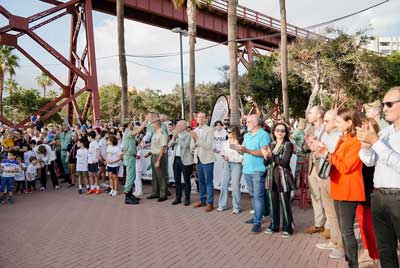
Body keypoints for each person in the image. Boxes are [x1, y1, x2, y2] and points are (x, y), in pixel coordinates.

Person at [314, 107, 365, 268]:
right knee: (343, 229)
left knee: (347, 231)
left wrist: (326, 155)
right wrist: (324, 151)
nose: (336, 124)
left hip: (349, 190)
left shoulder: (356, 141)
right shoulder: (343, 139)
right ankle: (350, 261)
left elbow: (346, 166)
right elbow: (336, 160)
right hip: (338, 186)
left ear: (349, 123)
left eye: (338, 121)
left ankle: (353, 264)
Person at [358, 87, 400, 268]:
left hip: (398, 196)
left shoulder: (380, 136)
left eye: (389, 104)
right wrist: (366, 146)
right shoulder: (385, 132)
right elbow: (369, 162)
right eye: (383, 104)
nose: (384, 109)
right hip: (379, 195)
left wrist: (375, 142)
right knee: (384, 248)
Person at [313, 110, 343, 259]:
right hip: (323, 174)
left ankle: (340, 245)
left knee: (337, 214)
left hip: (334, 177)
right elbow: (321, 152)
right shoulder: (326, 134)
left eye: (327, 121)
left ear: (335, 121)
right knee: (330, 213)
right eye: (324, 120)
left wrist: (322, 150)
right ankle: (334, 240)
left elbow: (335, 156)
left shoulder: (340, 136)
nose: (324, 124)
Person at [236, 114, 271, 234]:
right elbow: (244, 150)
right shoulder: (246, 135)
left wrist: (247, 151)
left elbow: (264, 153)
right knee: (253, 195)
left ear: (256, 123)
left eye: (248, 121)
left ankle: (258, 222)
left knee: (258, 195)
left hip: (258, 169)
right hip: (247, 169)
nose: (246, 123)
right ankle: (259, 214)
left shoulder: (264, 135)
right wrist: (238, 149)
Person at [263, 123, 294, 237]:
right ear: (274, 132)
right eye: (277, 130)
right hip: (271, 177)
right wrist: (266, 156)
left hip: (283, 178)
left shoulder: (288, 145)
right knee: (273, 203)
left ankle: (288, 227)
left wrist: (271, 156)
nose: (280, 133)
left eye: (282, 131)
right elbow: (265, 163)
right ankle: (274, 225)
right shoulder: (271, 144)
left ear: (285, 133)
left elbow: (284, 162)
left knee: (285, 203)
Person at [356, 118, 379, 265]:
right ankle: (368, 251)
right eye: (362, 128)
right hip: (360, 190)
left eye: (367, 128)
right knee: (363, 224)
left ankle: (376, 255)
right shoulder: (358, 145)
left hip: (373, 191)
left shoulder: (379, 146)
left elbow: (370, 162)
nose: (363, 131)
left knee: (372, 227)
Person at [304, 106, 327, 235]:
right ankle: (319, 224)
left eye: (311, 113)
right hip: (312, 167)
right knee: (315, 196)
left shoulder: (328, 127)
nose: (308, 115)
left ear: (319, 115)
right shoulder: (310, 129)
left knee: (326, 197)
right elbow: (304, 147)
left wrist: (318, 144)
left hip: (323, 166)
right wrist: (308, 143)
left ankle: (330, 226)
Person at [191, 112, 216, 212]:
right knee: (201, 182)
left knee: (208, 182)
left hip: (208, 159)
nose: (201, 119)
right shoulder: (195, 130)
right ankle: (202, 200)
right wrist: (195, 140)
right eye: (199, 117)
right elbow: (191, 146)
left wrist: (197, 139)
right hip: (198, 160)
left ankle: (210, 203)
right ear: (196, 119)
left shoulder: (209, 130)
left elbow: (208, 146)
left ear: (206, 119)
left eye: (203, 117)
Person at [217, 125, 243, 214]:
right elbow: (222, 151)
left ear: (234, 133)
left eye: (229, 132)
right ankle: (222, 205)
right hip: (226, 164)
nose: (227, 133)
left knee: (235, 186)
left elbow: (241, 157)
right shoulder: (225, 143)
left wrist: (230, 158)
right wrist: (223, 156)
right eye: (227, 132)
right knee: (224, 184)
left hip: (236, 165)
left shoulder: (240, 143)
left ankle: (236, 206)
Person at [122, 119, 147, 205]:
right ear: (128, 125)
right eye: (131, 124)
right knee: (130, 176)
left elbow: (136, 142)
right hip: (129, 157)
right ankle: (127, 196)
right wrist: (145, 122)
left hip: (131, 157)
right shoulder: (127, 132)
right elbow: (137, 131)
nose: (132, 125)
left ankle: (130, 194)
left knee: (132, 176)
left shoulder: (129, 135)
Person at [169, 120, 194, 206]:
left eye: (179, 125)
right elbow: (169, 145)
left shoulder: (188, 135)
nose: (177, 127)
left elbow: (185, 145)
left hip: (186, 160)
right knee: (177, 180)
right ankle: (178, 197)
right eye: (177, 125)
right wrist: (173, 138)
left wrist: (178, 138)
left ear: (184, 126)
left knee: (187, 180)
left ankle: (187, 198)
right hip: (176, 159)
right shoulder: (175, 135)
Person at [146, 117, 168, 202]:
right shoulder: (155, 133)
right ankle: (155, 192)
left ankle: (163, 194)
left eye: (152, 123)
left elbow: (163, 147)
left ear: (156, 123)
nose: (151, 125)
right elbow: (155, 145)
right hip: (153, 155)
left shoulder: (162, 133)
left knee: (161, 176)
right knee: (155, 176)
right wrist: (149, 153)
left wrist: (158, 160)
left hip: (159, 156)